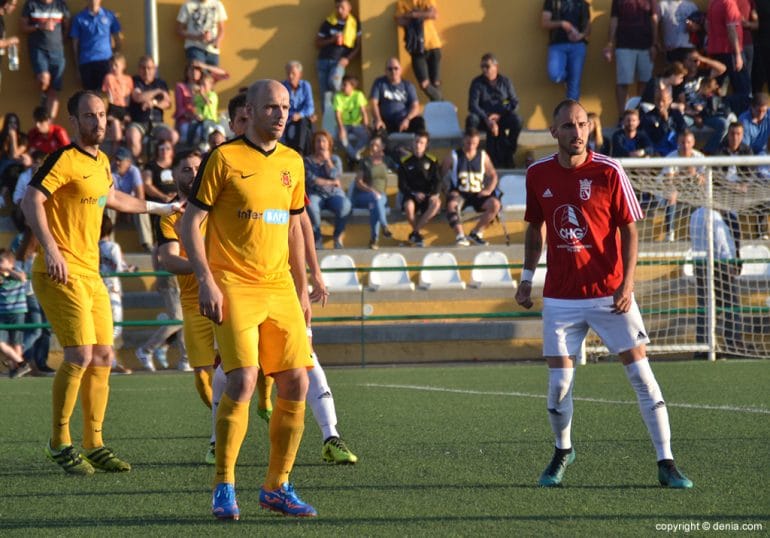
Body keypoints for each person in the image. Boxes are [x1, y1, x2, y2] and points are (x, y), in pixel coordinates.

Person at [516, 98, 693, 489]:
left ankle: (666, 461)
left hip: (609, 294)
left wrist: (627, 284)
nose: (577, 133)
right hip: (561, 297)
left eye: (582, 125)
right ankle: (563, 451)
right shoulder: (538, 174)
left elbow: (630, 229)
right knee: (559, 385)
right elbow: (535, 227)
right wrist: (527, 276)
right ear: (554, 133)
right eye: (568, 126)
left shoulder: (609, 171)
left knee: (642, 377)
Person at [20, 89, 179, 475]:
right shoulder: (62, 159)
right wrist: (52, 250)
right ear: (73, 122)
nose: (99, 122)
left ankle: (94, 443)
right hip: (58, 271)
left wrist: (163, 207)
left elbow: (114, 198)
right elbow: (30, 200)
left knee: (105, 355)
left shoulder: (103, 160)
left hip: (91, 273)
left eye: (103, 115)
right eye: (90, 116)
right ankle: (59, 442)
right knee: (80, 355)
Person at [180, 79, 318, 519]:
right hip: (234, 284)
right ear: (251, 110)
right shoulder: (223, 158)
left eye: (286, 108)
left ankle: (277, 486)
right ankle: (224, 484)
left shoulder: (293, 163)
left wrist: (302, 286)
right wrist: (205, 279)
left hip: (279, 287)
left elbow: (294, 225)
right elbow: (190, 223)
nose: (280, 115)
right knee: (242, 380)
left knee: (297, 380)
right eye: (271, 108)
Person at [157, 149, 219, 463]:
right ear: (175, 175)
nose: (193, 174)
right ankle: (228, 420)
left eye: (198, 168)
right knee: (203, 376)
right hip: (194, 304)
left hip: (230, 297)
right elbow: (167, 259)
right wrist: (202, 269)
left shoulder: (220, 203)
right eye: (186, 169)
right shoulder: (170, 215)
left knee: (247, 367)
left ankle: (223, 432)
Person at [689, 206, 741, 359]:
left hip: (700, 264)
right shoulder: (715, 217)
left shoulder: (694, 215)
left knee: (705, 306)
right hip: (718, 265)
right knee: (732, 304)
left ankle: (702, 346)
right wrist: (731, 263)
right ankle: (733, 344)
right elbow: (722, 243)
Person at [442, 128, 500, 246]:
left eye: (474, 143)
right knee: (452, 204)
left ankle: (476, 233)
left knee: (495, 204)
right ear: (464, 140)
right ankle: (460, 236)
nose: (471, 146)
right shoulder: (454, 155)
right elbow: (440, 175)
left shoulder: (483, 156)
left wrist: (488, 190)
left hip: (477, 193)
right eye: (468, 142)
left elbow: (493, 175)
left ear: (478, 142)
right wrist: (446, 190)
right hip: (460, 193)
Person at [603, 0, 659, 118]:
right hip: (624, 45)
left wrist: (654, 44)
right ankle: (623, 117)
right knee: (623, 82)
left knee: (645, 82)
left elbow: (654, 20)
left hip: (646, 46)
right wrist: (609, 43)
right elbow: (614, 21)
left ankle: (640, 116)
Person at [466, 52, 522, 168]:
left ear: (496, 67)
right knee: (471, 119)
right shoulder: (477, 83)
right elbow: (473, 105)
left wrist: (499, 115)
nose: (484, 69)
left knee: (517, 120)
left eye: (487, 66)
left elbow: (514, 103)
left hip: (502, 117)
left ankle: (509, 151)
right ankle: (469, 154)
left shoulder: (505, 82)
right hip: (483, 118)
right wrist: (487, 118)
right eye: (482, 66)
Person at [19, 0, 70, 119]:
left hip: (57, 51)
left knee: (54, 90)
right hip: (38, 50)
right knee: (44, 79)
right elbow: (22, 26)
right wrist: (39, 26)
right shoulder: (31, 4)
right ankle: (43, 98)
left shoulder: (60, 4)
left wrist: (62, 39)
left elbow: (67, 25)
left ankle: (48, 123)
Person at [97, 215, 132, 375]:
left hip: (97, 288)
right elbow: (119, 269)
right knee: (115, 329)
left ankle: (108, 360)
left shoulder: (92, 246)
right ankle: (110, 361)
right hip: (112, 290)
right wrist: (129, 269)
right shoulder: (112, 246)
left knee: (103, 327)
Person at [304, 129, 351, 249]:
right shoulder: (307, 161)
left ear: (329, 144)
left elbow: (336, 175)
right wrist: (332, 182)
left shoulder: (335, 159)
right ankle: (317, 237)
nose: (321, 144)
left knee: (345, 205)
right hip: (315, 194)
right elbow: (312, 180)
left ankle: (338, 236)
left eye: (323, 141)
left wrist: (327, 161)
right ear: (314, 144)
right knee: (311, 206)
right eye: (318, 141)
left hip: (334, 194)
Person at [126, 56, 178, 160]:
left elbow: (167, 103)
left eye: (149, 68)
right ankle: (138, 166)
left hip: (157, 123)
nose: (146, 71)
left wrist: (153, 103)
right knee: (132, 136)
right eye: (143, 68)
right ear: (139, 69)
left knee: (173, 136)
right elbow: (138, 97)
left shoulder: (161, 82)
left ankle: (165, 165)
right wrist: (158, 92)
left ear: (154, 69)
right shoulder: (134, 81)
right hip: (138, 122)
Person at [398, 130, 442, 246]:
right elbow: (401, 185)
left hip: (427, 195)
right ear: (413, 143)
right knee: (408, 206)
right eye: (416, 142)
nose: (418, 145)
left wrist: (434, 194)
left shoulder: (432, 160)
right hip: (412, 195)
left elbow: (437, 180)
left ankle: (415, 232)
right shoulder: (405, 161)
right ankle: (416, 234)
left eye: (421, 143)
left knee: (437, 204)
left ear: (426, 145)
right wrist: (414, 194)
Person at [541, 0, 591, 101]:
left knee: (574, 85)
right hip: (557, 45)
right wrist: (562, 23)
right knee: (555, 75)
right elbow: (544, 23)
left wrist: (580, 35)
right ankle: (568, 77)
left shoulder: (582, 3)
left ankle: (571, 113)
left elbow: (588, 28)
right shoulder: (552, 2)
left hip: (578, 46)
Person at [706, 0, 751, 113]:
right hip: (729, 51)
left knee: (716, 87)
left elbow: (707, 25)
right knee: (743, 90)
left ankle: (716, 112)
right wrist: (737, 54)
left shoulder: (713, 3)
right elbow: (731, 29)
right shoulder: (729, 3)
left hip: (716, 51)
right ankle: (740, 117)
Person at [315, 0, 361, 111]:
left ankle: (340, 111)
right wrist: (332, 39)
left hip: (338, 62)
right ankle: (329, 120)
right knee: (324, 93)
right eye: (337, 8)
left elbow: (358, 46)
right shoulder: (329, 22)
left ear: (349, 7)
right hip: (323, 61)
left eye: (342, 7)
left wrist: (347, 59)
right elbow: (317, 43)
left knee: (335, 84)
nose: (339, 11)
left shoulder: (354, 24)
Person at [660, 129, 705, 241]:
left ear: (693, 143)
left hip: (692, 188)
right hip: (670, 190)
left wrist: (694, 175)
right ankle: (670, 232)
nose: (685, 145)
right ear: (678, 143)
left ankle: (701, 230)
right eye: (682, 142)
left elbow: (704, 180)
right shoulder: (671, 157)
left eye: (688, 142)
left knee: (704, 194)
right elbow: (668, 181)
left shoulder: (699, 157)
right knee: (672, 194)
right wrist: (684, 174)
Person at [351, 135, 394, 249]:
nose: (373, 147)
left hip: (380, 195)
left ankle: (374, 239)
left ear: (382, 147)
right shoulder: (365, 162)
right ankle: (384, 226)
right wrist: (371, 190)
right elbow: (358, 182)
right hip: (363, 195)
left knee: (375, 204)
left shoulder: (387, 160)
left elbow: (400, 167)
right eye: (371, 145)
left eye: (376, 145)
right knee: (375, 200)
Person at [395, 0, 443, 101]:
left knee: (435, 83)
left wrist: (412, 14)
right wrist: (422, 15)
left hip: (433, 45)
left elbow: (434, 14)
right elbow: (399, 21)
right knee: (424, 84)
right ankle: (444, 104)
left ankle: (438, 112)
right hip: (416, 47)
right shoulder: (401, 2)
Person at [69, 0, 122, 91]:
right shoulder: (79, 18)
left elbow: (118, 38)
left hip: (105, 61)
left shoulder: (109, 15)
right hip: (86, 62)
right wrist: (77, 68)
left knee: (107, 94)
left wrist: (115, 58)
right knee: (90, 94)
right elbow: (74, 45)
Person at [109, 146, 153, 251]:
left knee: (142, 209)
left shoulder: (134, 171)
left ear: (128, 162)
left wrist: (129, 209)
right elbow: (108, 196)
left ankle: (147, 243)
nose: (117, 163)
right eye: (116, 159)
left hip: (131, 203)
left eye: (120, 160)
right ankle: (108, 244)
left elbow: (140, 196)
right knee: (107, 207)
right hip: (115, 204)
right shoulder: (110, 171)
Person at [370, 57, 425, 137]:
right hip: (386, 121)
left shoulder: (408, 85)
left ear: (400, 70)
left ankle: (420, 148)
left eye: (396, 68)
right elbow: (373, 103)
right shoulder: (379, 83)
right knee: (377, 128)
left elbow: (415, 106)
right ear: (385, 71)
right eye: (390, 69)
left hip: (404, 121)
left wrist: (407, 119)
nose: (393, 71)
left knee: (419, 122)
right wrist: (378, 119)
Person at [0, 247, 31, 378]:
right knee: (2, 343)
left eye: (1, 261)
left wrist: (8, 270)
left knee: (16, 342)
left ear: (10, 263)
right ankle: (22, 363)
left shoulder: (16, 271)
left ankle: (15, 369)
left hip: (18, 311)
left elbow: (22, 278)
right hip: (2, 313)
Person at [175, 0, 227, 66]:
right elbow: (179, 30)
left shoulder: (217, 4)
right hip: (194, 47)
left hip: (212, 50)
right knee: (197, 72)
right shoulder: (188, 5)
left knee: (211, 75)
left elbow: (222, 29)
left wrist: (217, 40)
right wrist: (198, 37)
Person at [333, 74, 369, 166]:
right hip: (343, 125)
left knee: (367, 136)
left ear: (352, 86)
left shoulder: (358, 95)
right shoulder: (338, 96)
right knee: (342, 139)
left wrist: (366, 125)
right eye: (342, 84)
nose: (343, 87)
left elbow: (363, 111)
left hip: (356, 124)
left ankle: (353, 155)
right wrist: (341, 129)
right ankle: (355, 157)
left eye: (345, 84)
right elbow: (338, 114)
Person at [640, 85, 687, 155]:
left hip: (676, 151)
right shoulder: (648, 117)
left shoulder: (676, 114)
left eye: (663, 100)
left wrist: (667, 120)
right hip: (658, 152)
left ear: (670, 100)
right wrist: (664, 121)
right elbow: (648, 139)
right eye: (658, 100)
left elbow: (684, 130)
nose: (661, 104)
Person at [281, 60, 315, 156]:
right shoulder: (282, 86)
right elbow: (281, 106)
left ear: (300, 74)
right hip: (288, 120)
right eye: (288, 73)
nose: (290, 76)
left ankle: (300, 151)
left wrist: (300, 114)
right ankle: (299, 152)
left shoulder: (305, 86)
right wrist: (293, 115)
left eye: (293, 73)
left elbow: (310, 107)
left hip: (302, 119)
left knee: (304, 122)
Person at [100, 53, 133, 147]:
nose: (113, 68)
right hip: (113, 108)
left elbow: (128, 96)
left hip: (124, 108)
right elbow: (107, 95)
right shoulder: (109, 77)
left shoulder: (128, 79)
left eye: (116, 65)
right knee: (117, 131)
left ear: (123, 66)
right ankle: (115, 155)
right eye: (111, 65)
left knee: (128, 130)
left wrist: (127, 112)